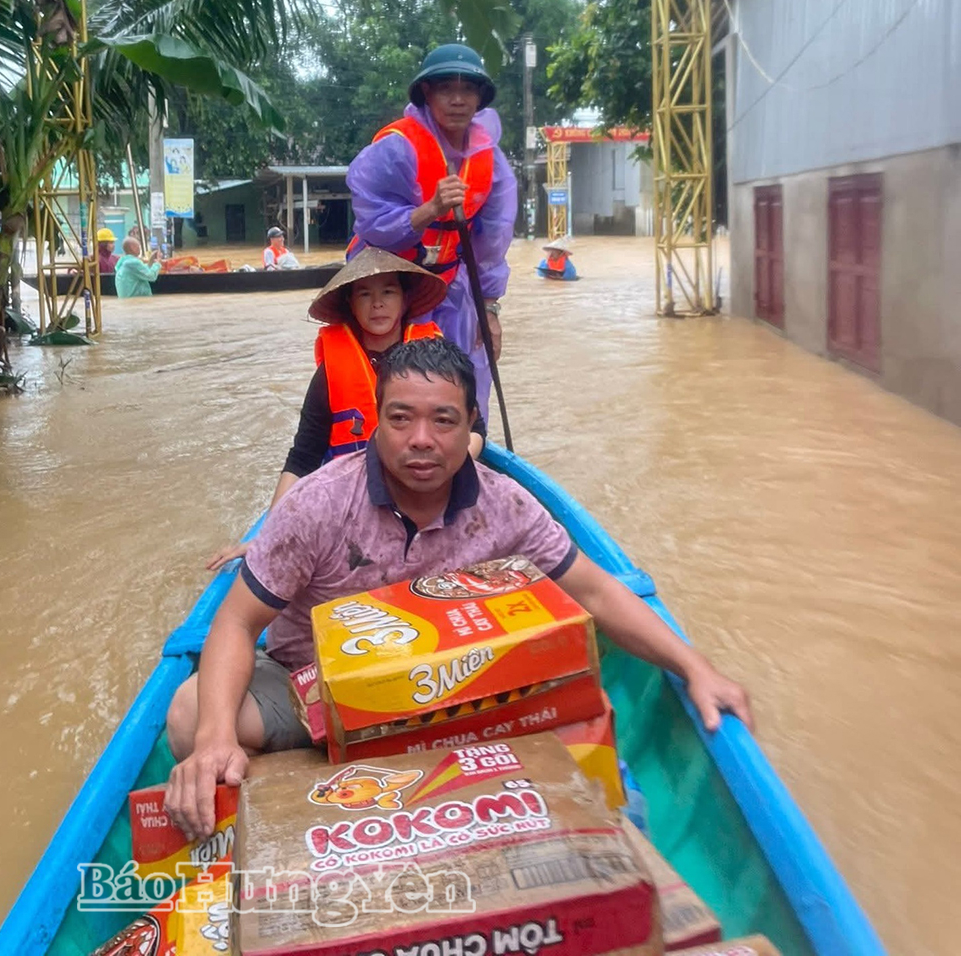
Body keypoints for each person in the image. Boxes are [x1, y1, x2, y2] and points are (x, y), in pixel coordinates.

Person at [166, 338, 754, 840]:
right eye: (401, 418)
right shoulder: (316, 505)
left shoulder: (506, 507)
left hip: (460, 693)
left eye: (443, 420)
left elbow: (597, 595)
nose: (421, 439)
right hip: (316, 690)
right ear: (377, 419)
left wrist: (694, 665)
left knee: (598, 760)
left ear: (471, 423)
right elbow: (238, 622)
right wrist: (215, 740)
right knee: (192, 713)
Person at [205, 246, 486, 570]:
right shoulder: (330, 373)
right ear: (351, 305)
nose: (377, 303)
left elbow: (474, 430)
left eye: (388, 292)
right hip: (357, 502)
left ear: (405, 300)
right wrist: (267, 535)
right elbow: (303, 458)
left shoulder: (435, 359)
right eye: (364, 294)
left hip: (430, 493)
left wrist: (447, 467)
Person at [346, 44, 517, 422]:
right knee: (386, 387)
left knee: (461, 382)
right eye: (445, 88)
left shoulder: (492, 162)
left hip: (453, 286)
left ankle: (465, 454)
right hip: (389, 284)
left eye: (468, 90)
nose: (458, 100)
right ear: (427, 93)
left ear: (480, 98)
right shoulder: (396, 148)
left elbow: (492, 243)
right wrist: (431, 210)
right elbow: (373, 224)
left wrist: (489, 310)